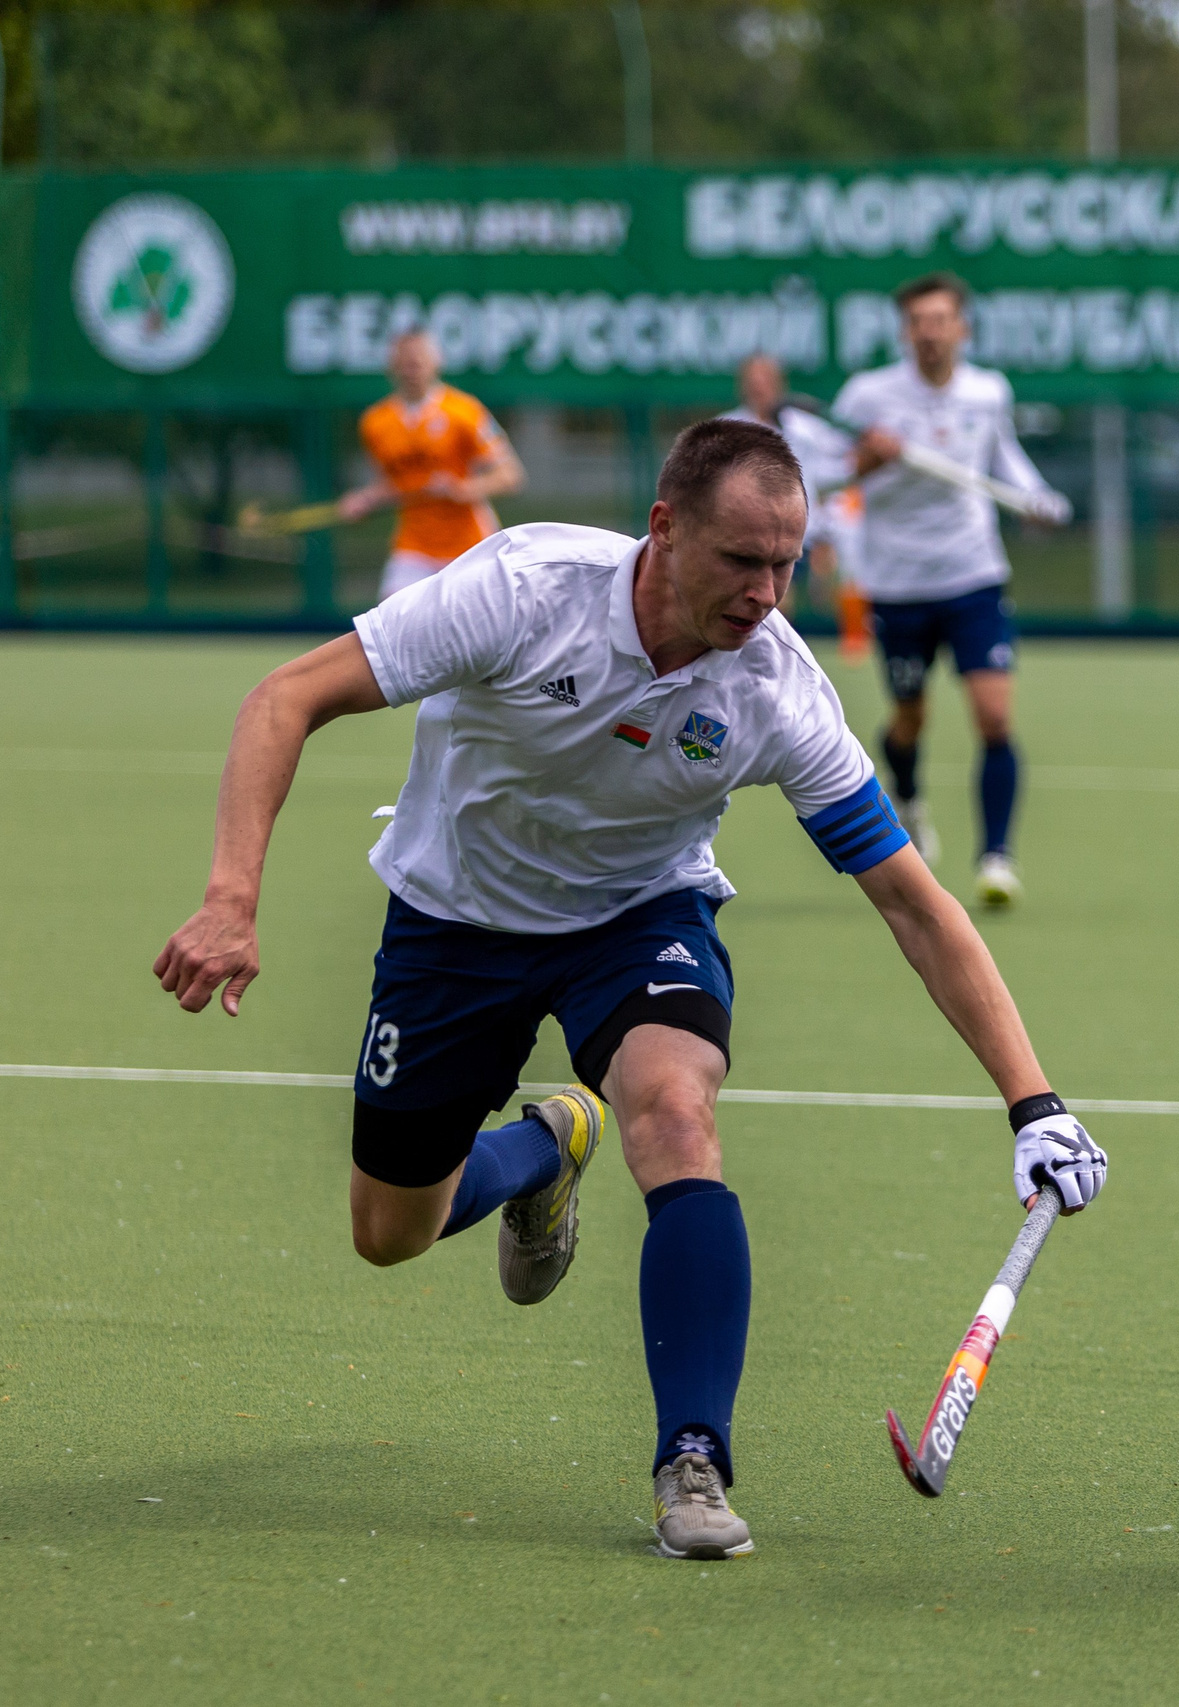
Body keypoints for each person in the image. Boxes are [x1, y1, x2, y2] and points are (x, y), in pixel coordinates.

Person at [152, 418, 1107, 1561]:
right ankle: (545, 1149)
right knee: (390, 1231)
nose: (765, 593)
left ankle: (692, 1459)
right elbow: (285, 697)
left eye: (786, 563)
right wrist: (230, 897)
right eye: (740, 560)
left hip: (638, 916)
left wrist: (1034, 1102)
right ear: (663, 529)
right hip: (456, 918)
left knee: (675, 1113)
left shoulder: (777, 689)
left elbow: (912, 903)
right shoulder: (522, 591)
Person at [834, 273, 1070, 910]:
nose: (929, 333)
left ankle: (997, 858)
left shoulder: (987, 392)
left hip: (973, 576)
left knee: (994, 717)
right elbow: (823, 472)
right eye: (918, 322)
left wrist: (1034, 497)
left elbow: (1003, 458)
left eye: (940, 321)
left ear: (962, 328)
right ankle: (909, 798)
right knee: (909, 720)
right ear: (904, 331)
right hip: (898, 584)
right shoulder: (868, 396)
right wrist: (866, 462)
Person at [339, 330, 525, 602]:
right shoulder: (376, 422)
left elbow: (510, 475)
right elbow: (391, 485)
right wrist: (364, 500)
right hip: (414, 545)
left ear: (435, 363)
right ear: (391, 366)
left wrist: (463, 489)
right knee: (392, 617)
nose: (411, 371)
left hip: (468, 544)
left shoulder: (464, 411)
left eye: (417, 363)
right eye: (404, 364)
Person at [720, 353, 869, 654]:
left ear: (778, 383)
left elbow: (829, 476)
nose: (759, 387)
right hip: (747, 535)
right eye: (753, 380)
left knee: (782, 605)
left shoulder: (806, 428)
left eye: (765, 380)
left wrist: (827, 530)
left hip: (800, 534)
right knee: (764, 604)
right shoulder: (727, 428)